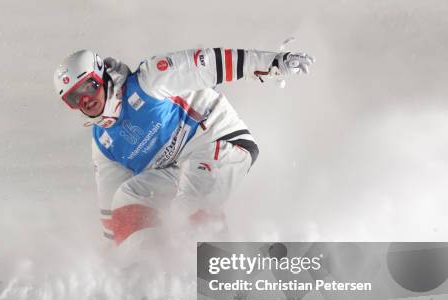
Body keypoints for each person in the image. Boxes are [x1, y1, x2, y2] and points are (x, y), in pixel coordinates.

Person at [53, 47, 314, 253]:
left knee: (187, 204)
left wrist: (272, 63)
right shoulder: (103, 143)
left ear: (102, 75)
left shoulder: (149, 80)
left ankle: (225, 281)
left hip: (219, 139)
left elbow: (210, 63)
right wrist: (110, 264)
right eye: (74, 98)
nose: (86, 99)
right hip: (178, 169)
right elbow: (110, 216)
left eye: (89, 86)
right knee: (127, 198)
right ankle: (151, 275)